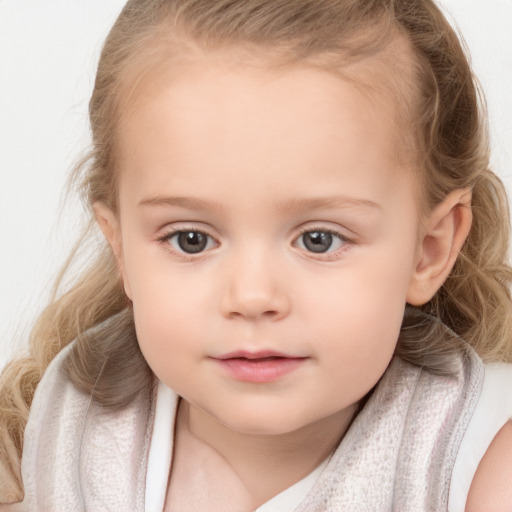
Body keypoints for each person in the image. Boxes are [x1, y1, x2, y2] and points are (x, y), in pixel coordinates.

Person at [1, 0, 512, 510]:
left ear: (430, 250)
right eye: (190, 239)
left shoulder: (480, 460)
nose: (251, 296)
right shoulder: (56, 435)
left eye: (319, 239)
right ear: (121, 250)